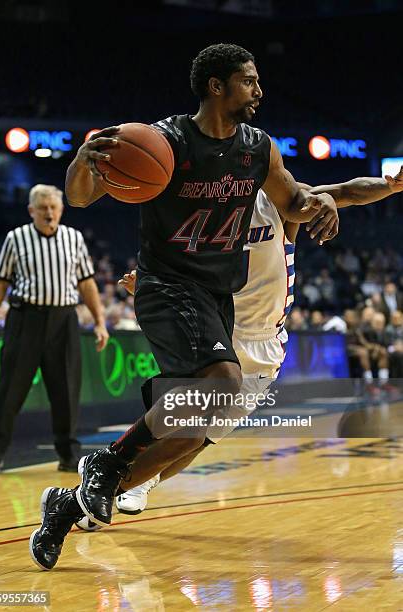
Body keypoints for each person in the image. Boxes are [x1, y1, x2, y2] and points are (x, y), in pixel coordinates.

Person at [29, 42, 342, 569]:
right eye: (249, 81)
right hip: (167, 283)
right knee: (223, 383)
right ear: (216, 86)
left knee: (193, 432)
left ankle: (66, 506)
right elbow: (81, 198)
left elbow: (294, 202)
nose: (259, 91)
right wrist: (83, 164)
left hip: (217, 295)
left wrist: (323, 202)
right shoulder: (163, 141)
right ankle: (107, 464)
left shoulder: (259, 148)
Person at [111, 167, 403, 515]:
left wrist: (390, 186)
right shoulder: (205, 217)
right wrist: (147, 282)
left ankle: (129, 481)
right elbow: (179, 269)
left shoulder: (281, 203)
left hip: (266, 345)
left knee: (201, 441)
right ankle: (116, 482)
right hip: (218, 335)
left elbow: (347, 191)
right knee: (184, 428)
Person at [0, 184, 109, 474]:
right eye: (43, 208)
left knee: (66, 389)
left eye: (53, 208)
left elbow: (87, 283)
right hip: (25, 319)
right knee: (9, 389)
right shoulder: (16, 238)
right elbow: (0, 283)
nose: (49, 213)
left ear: (61, 209)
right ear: (31, 211)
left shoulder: (73, 238)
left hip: (64, 320)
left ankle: (68, 455)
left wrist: (100, 321)